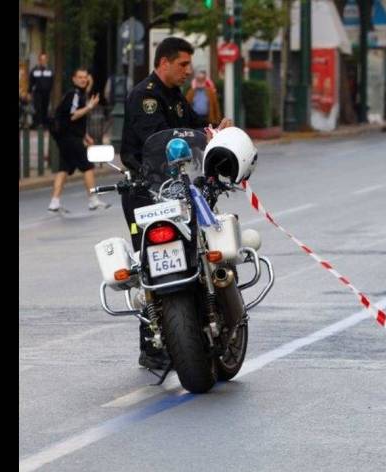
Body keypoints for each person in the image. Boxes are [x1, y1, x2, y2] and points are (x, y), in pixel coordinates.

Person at [121, 37, 233, 370]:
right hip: (145, 191)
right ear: (164, 62)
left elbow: (192, 127)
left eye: (189, 64)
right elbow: (158, 141)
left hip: (178, 190)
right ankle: (151, 343)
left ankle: (195, 324)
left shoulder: (174, 96)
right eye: (183, 64)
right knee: (150, 264)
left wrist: (214, 130)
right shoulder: (145, 97)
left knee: (191, 255)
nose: (188, 70)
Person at [47, 67, 110, 212]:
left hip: (66, 138)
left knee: (63, 169)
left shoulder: (79, 94)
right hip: (71, 139)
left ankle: (54, 202)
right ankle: (93, 200)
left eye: (85, 77)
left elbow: (74, 122)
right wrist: (89, 107)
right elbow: (73, 116)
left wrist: (85, 136)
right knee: (88, 167)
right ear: (74, 79)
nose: (83, 80)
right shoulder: (74, 95)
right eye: (80, 77)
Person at [29, 52, 55, 128]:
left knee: (45, 107)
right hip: (37, 93)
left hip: (46, 93)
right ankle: (38, 124)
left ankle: (44, 124)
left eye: (44, 59)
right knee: (38, 108)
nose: (43, 61)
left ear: (46, 60)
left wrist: (50, 90)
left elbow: (52, 81)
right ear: (39, 60)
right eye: (41, 59)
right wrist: (29, 93)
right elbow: (31, 82)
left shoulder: (50, 71)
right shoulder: (34, 70)